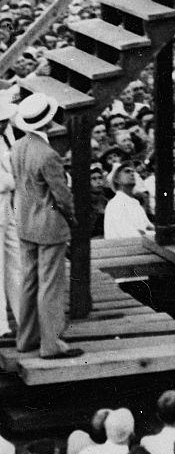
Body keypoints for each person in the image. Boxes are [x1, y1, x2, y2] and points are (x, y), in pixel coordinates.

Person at [9, 93, 81, 360]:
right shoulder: (49, 155)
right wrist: (72, 217)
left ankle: (26, 338)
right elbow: (62, 196)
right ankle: (51, 344)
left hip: (25, 220)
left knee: (30, 280)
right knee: (50, 284)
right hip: (49, 225)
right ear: (49, 123)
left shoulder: (17, 146)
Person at [0, 102, 20, 337]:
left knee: (16, 262)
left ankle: (24, 317)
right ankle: (1, 326)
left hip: (8, 207)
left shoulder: (7, 135)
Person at [103, 161, 154, 239]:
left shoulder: (135, 204)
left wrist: (146, 232)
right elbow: (129, 235)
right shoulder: (115, 203)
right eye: (127, 171)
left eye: (133, 171)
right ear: (116, 179)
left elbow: (149, 227)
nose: (132, 173)